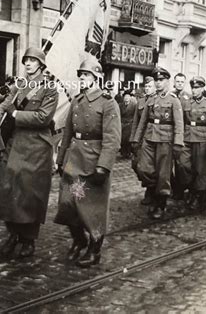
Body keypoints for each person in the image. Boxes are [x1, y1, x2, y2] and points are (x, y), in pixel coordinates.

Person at [0, 47, 58, 259]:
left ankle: (28, 238)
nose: (28, 63)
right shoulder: (19, 85)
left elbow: (44, 117)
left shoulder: (50, 87)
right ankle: (13, 233)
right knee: (7, 189)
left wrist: (16, 114)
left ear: (41, 65)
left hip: (37, 145)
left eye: (33, 60)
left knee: (30, 193)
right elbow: (2, 107)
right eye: (26, 60)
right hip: (16, 143)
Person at [54, 55, 121, 267]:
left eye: (87, 75)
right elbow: (67, 133)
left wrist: (103, 166)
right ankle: (79, 239)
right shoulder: (77, 100)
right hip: (74, 162)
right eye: (81, 75)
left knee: (93, 209)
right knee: (69, 204)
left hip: (94, 162)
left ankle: (95, 248)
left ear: (97, 77)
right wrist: (61, 159)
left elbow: (112, 139)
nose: (82, 78)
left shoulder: (108, 103)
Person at [131, 67, 184, 220]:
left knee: (163, 174)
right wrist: (136, 139)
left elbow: (179, 124)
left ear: (168, 81)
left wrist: (178, 144)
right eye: (156, 80)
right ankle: (154, 193)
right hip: (149, 138)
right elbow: (142, 122)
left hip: (165, 141)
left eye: (161, 80)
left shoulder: (174, 100)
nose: (158, 83)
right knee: (143, 169)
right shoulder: (150, 100)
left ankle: (160, 203)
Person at [178, 76, 206, 210]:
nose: (194, 90)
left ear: (202, 88)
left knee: (201, 169)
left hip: (202, 139)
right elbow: (182, 121)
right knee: (183, 165)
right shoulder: (186, 102)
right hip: (187, 137)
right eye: (193, 88)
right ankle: (191, 187)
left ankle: (197, 194)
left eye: (197, 88)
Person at [130, 76, 157, 205]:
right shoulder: (140, 101)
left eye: (150, 86)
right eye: (146, 86)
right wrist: (133, 140)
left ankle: (151, 190)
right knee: (135, 164)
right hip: (140, 139)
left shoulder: (157, 100)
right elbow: (135, 122)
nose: (147, 88)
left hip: (152, 138)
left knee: (146, 167)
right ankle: (151, 185)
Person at [118, 91, 137, 159]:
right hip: (122, 123)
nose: (126, 98)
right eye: (125, 97)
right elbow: (118, 115)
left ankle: (128, 152)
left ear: (130, 98)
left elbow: (135, 115)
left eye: (128, 97)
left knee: (128, 139)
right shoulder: (120, 105)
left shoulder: (134, 105)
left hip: (130, 124)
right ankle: (123, 152)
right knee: (122, 139)